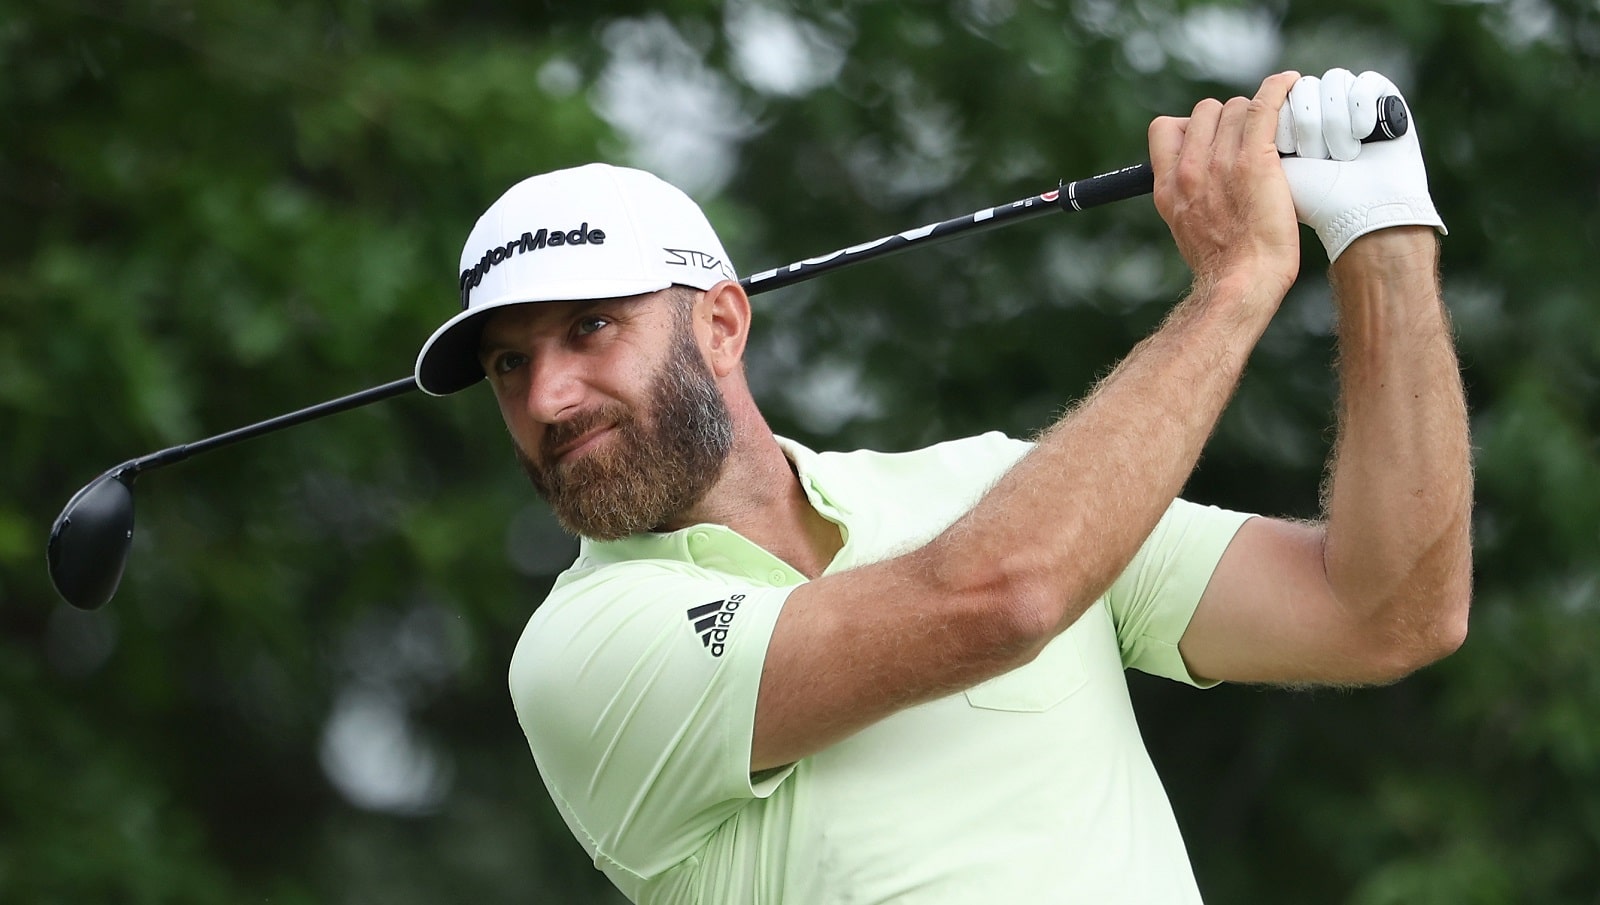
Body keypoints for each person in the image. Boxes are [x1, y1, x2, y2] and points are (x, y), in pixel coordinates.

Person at [413, 68, 1472, 903]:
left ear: (723, 324)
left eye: (590, 328)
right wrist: (1236, 285)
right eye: (509, 363)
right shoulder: (582, 648)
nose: (548, 393)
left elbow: (1384, 610)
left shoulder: (1001, 486)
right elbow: (997, 597)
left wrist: (1379, 233)